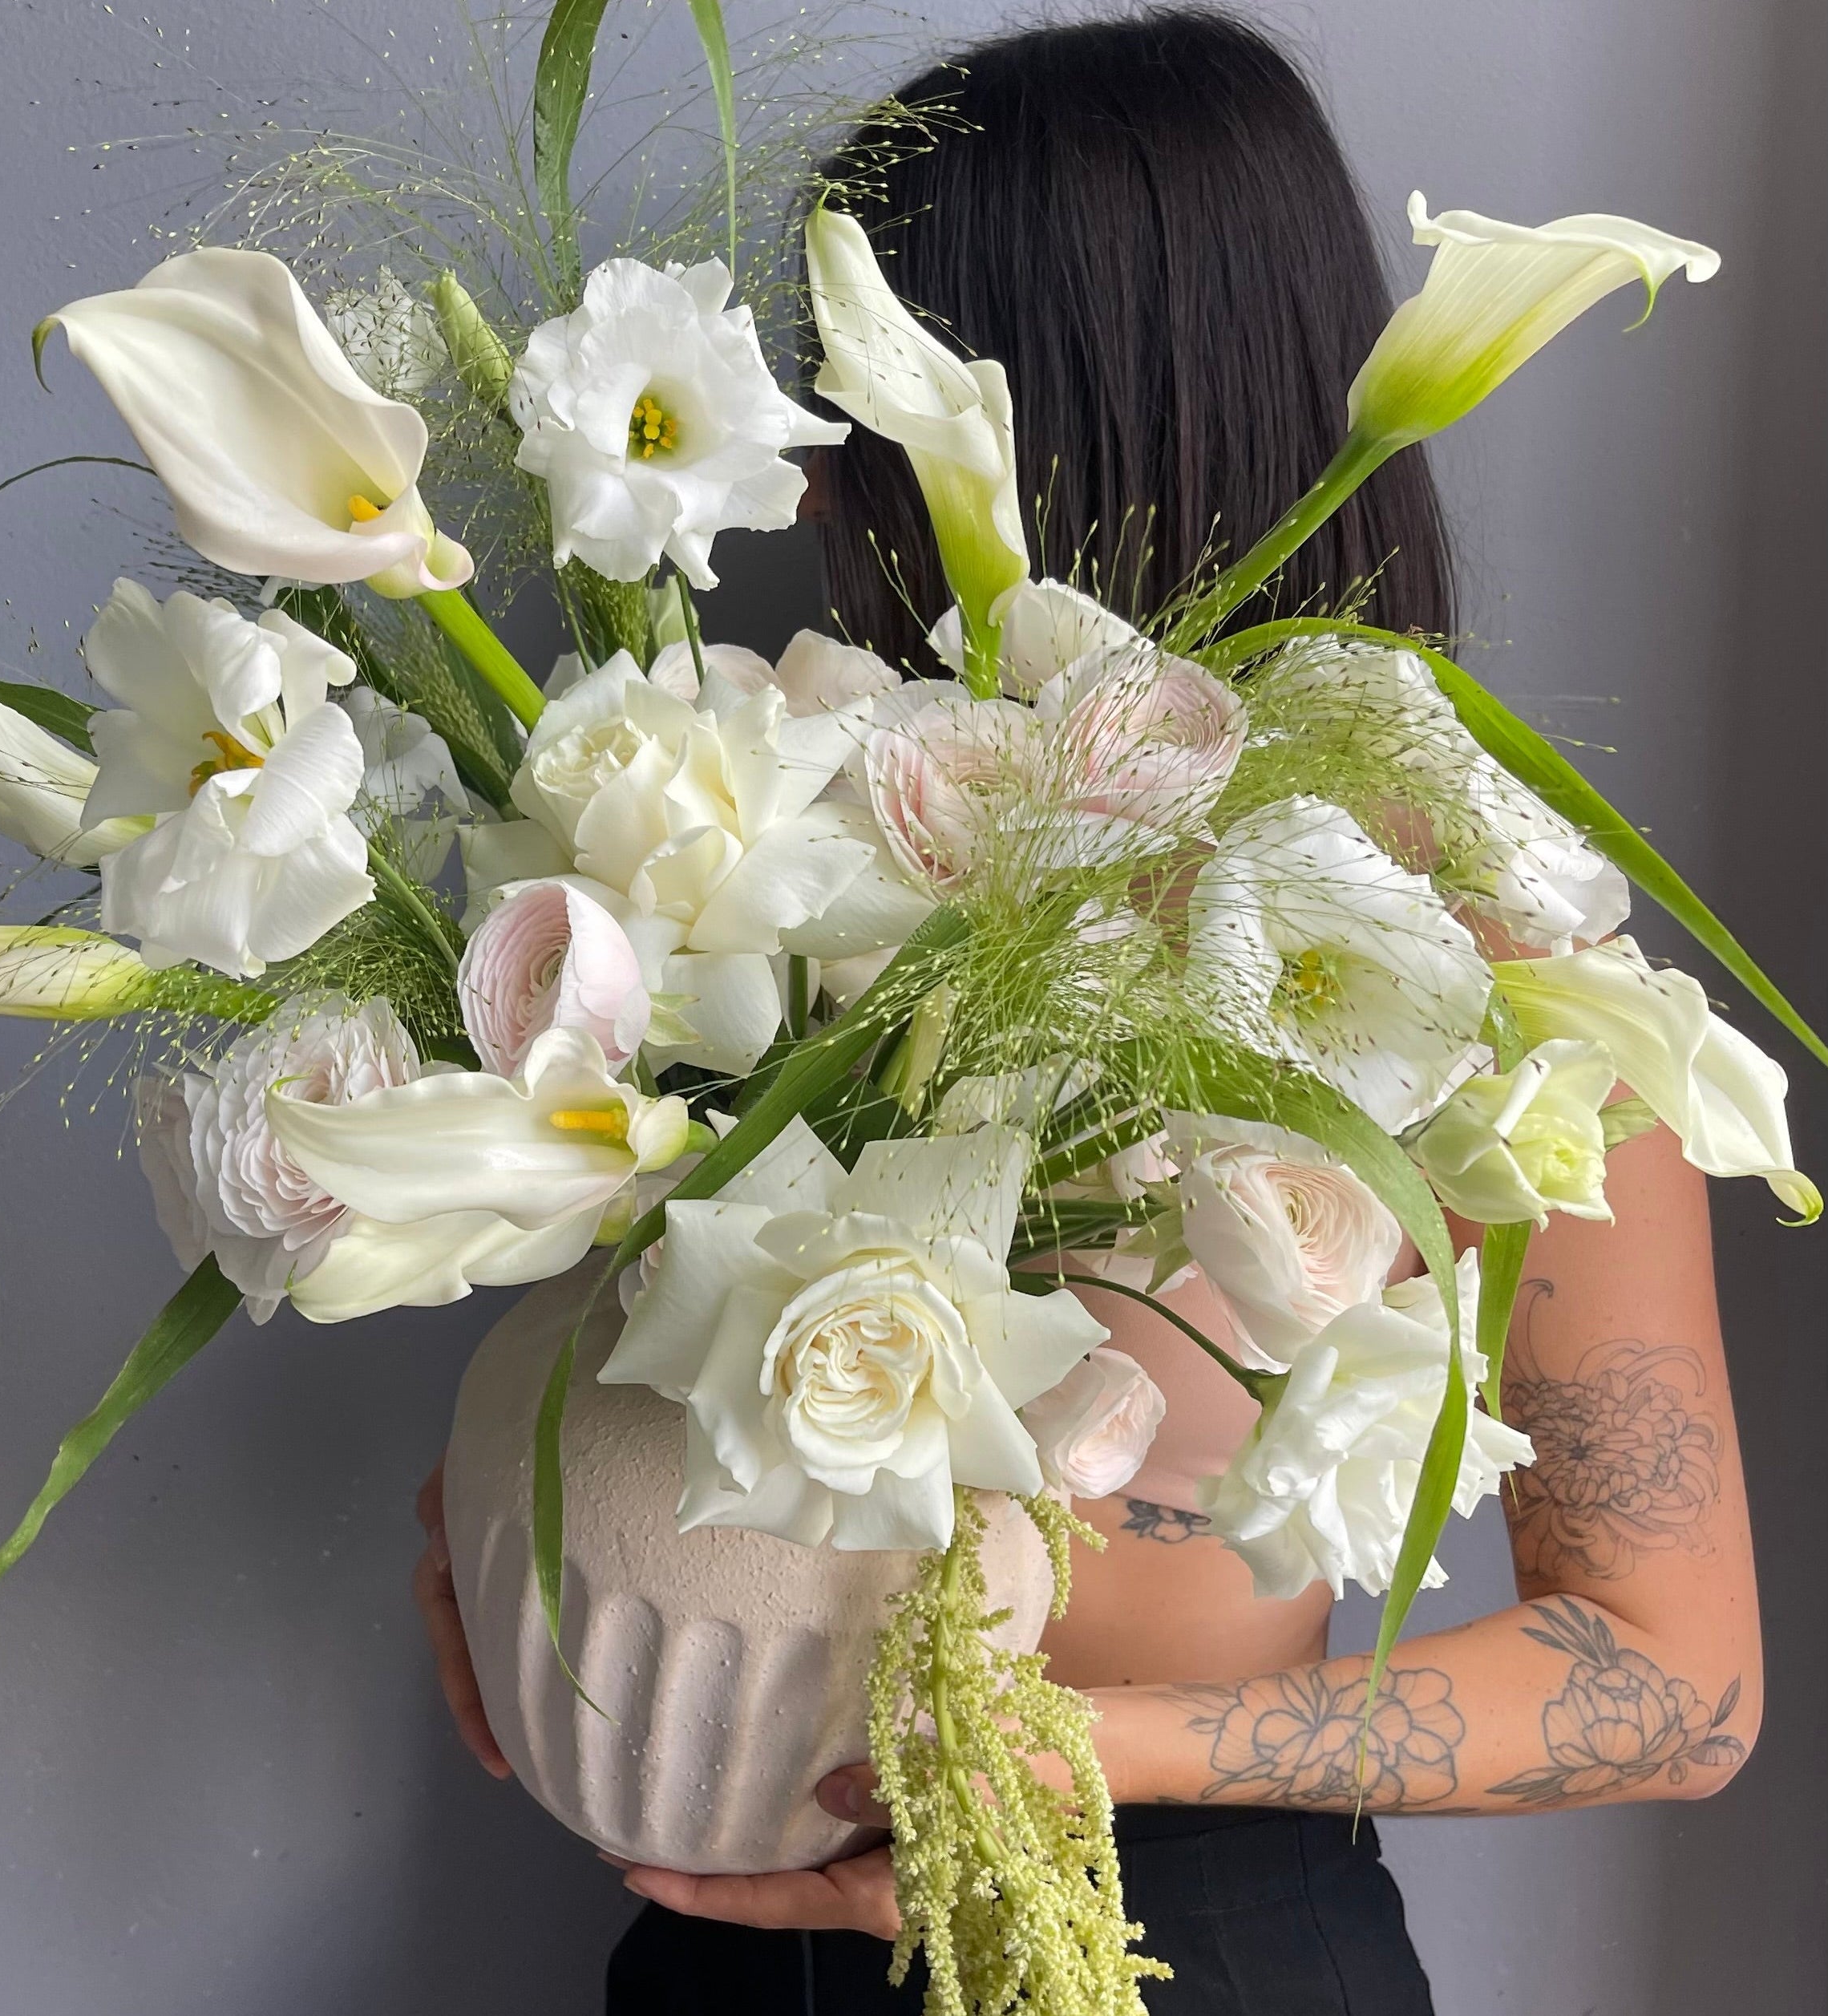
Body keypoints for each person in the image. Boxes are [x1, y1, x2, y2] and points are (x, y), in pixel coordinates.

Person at [413, 11, 1763, 2011]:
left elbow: (1676, 1673)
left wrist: (1072, 1761)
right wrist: (518, 1521)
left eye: (852, 397)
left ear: (1003, 411)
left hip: (1175, 1941)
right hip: (717, 1932)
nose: (819, 482)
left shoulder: (1492, 950)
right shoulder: (749, 822)